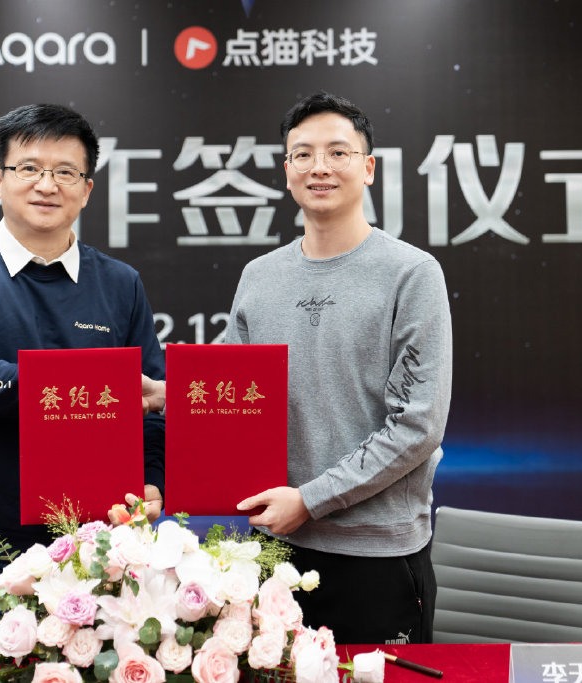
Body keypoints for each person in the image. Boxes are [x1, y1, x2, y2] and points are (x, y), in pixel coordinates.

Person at [0, 103, 166, 641]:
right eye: (29, 168)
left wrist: (152, 480)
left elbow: (149, 402)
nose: (46, 185)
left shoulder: (120, 283)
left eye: (66, 172)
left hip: (96, 552)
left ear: (87, 189)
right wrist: (93, 387)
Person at [230, 92, 453, 644]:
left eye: (338, 152)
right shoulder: (259, 276)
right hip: (276, 549)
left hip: (376, 556)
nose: (319, 167)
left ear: (368, 167)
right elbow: (233, 392)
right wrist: (166, 396)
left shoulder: (411, 273)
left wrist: (310, 500)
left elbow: (417, 425)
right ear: (287, 170)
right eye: (302, 154)